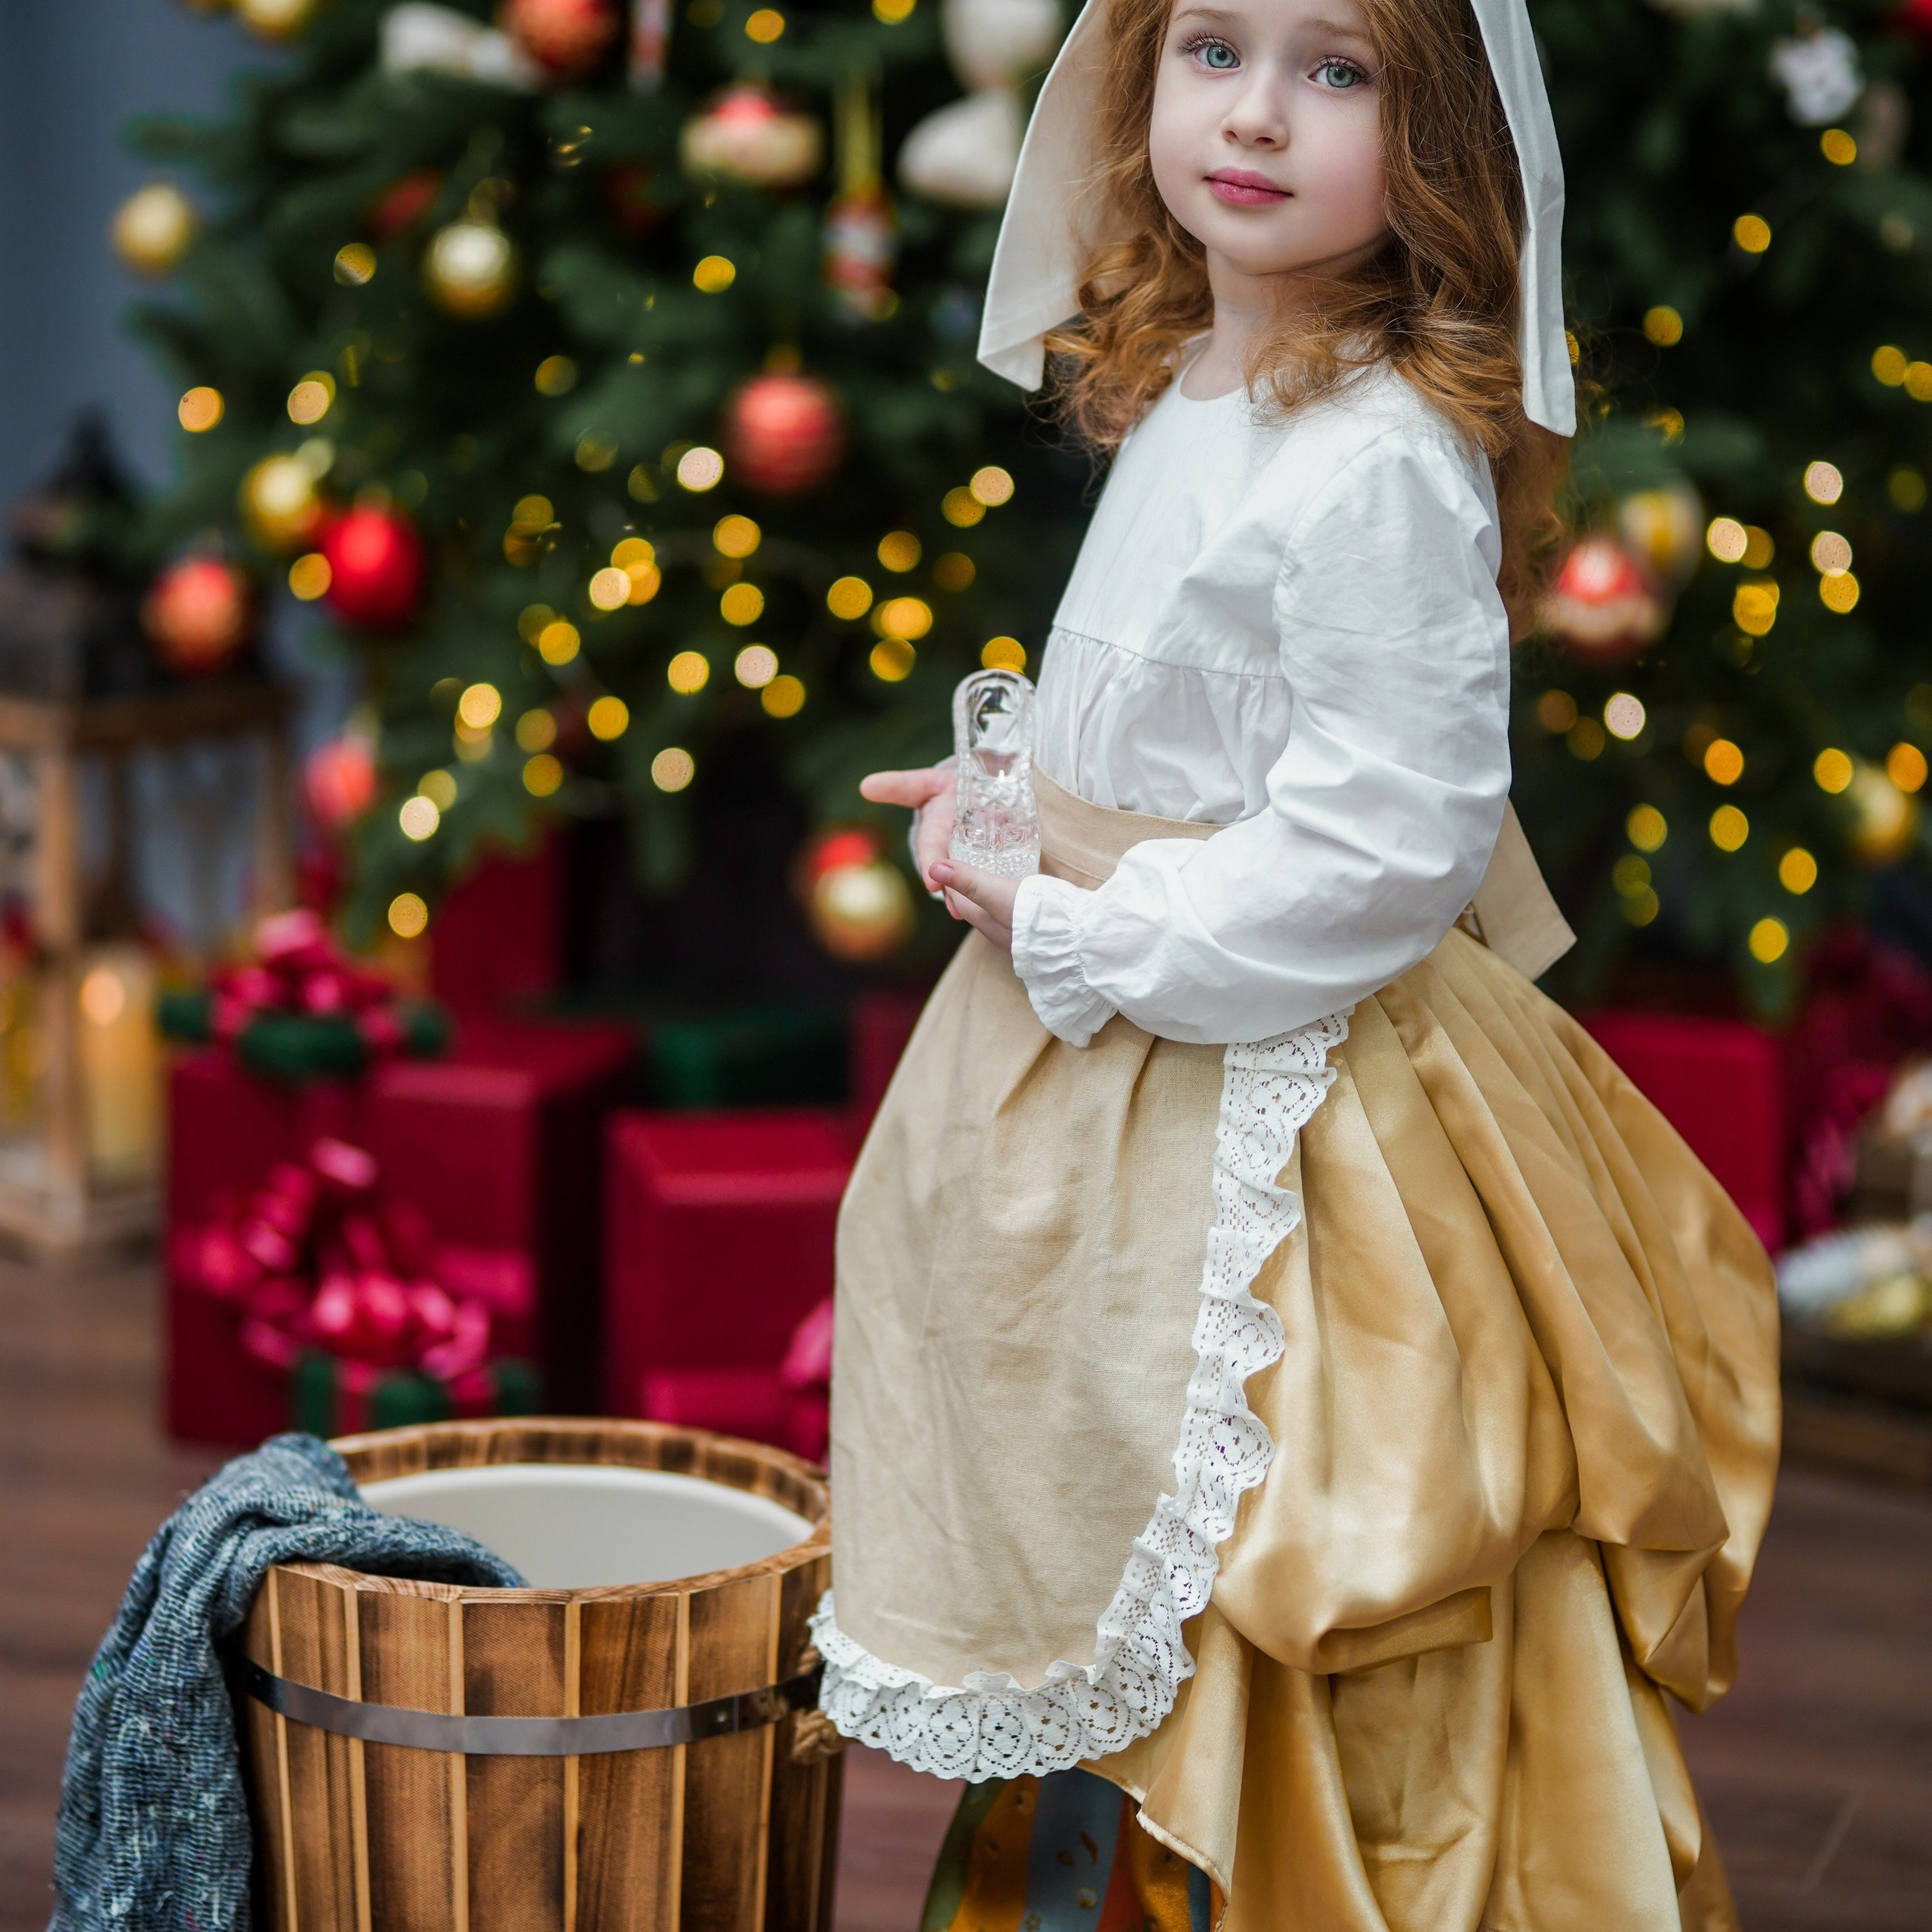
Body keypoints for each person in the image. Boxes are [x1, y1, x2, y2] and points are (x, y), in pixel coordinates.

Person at [814, 0, 1781, 1924]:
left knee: (1273, 1508)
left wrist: (1086, 914)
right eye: (1209, 50)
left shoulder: (1378, 464)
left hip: (1284, 1077)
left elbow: (1379, 845)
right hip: (1119, 1043)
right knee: (1106, 1493)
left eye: (1334, 71)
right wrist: (1023, 795)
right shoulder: (1193, 384)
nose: (1253, 114)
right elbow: (1194, 726)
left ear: (1427, 135)